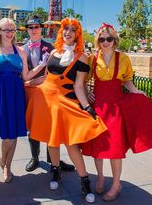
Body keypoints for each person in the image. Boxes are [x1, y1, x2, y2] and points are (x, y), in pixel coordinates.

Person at [25, 17, 107, 203]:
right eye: (65, 29)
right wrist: (27, 83)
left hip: (65, 101)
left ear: (77, 35)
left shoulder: (82, 58)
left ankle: (84, 180)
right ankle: (55, 172)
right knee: (52, 141)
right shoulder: (54, 52)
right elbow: (46, 78)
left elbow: (78, 86)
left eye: (72, 30)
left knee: (71, 144)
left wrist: (86, 106)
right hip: (45, 100)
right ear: (61, 32)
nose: (68, 32)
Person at [82, 23, 152, 201]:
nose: (105, 42)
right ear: (98, 41)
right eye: (102, 39)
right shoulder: (92, 58)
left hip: (115, 107)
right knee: (98, 146)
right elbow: (83, 80)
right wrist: (87, 92)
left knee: (114, 147)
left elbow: (127, 80)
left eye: (109, 38)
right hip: (98, 106)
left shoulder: (123, 58)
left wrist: (136, 91)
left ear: (115, 40)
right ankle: (99, 177)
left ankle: (116, 184)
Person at [0, 18, 48, 183]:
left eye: (12, 30)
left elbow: (25, 76)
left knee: (13, 131)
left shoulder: (20, 51)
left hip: (16, 91)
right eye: (6, 29)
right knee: (5, 133)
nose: (9, 33)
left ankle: (6, 165)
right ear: (0, 31)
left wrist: (41, 65)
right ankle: (4, 160)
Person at [23, 15, 75, 173]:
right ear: (27, 30)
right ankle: (35, 157)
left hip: (47, 91)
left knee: (50, 125)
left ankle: (53, 160)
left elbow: (55, 71)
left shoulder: (52, 48)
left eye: (36, 27)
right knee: (33, 125)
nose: (34, 30)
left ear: (41, 28)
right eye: (30, 27)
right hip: (29, 91)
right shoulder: (20, 49)